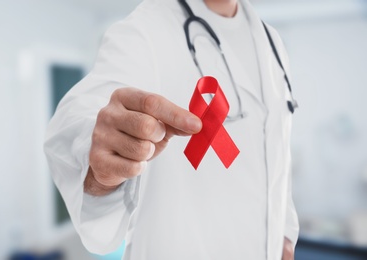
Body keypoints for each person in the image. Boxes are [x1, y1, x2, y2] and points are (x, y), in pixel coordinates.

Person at [44, 0, 299, 259]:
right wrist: (100, 161)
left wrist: (285, 231)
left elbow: (276, 154)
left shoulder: (272, 42)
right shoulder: (145, 30)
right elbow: (82, 116)